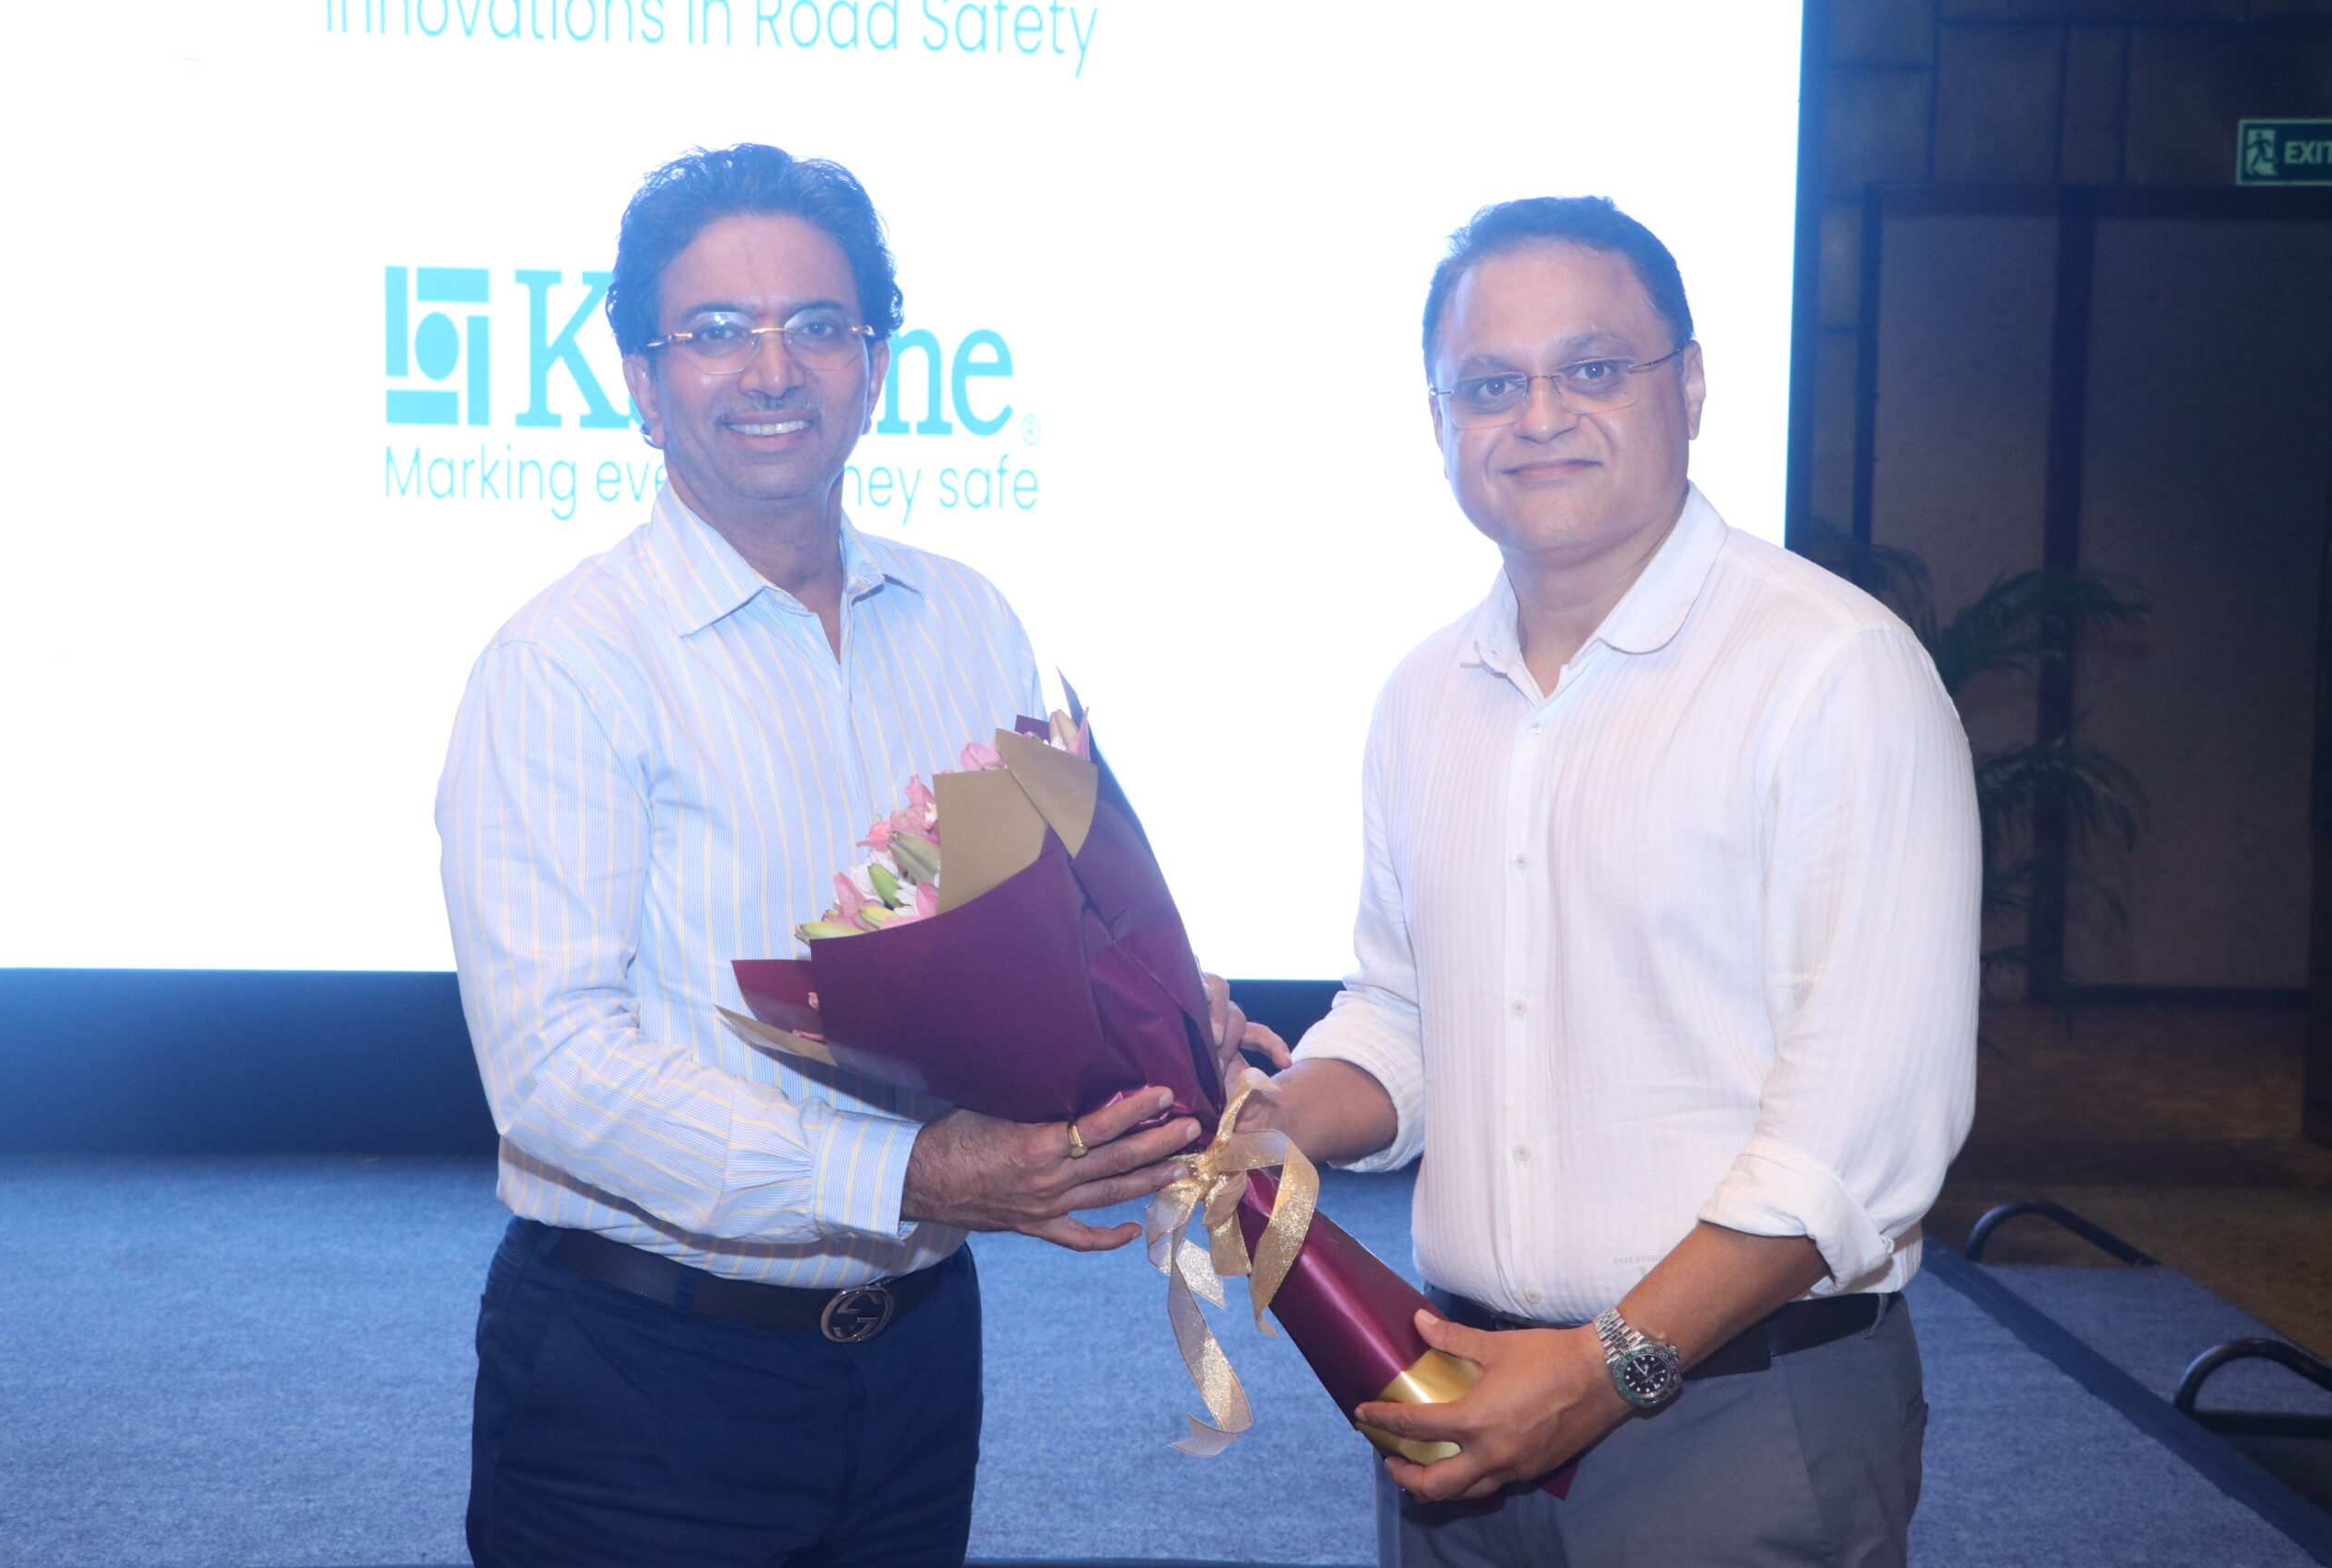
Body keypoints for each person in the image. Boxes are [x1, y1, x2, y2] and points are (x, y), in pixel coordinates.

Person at [435, 143, 1227, 1568]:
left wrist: (1154, 1028)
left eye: (817, 324)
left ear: (877, 365)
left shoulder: (970, 620)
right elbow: (556, 1073)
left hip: (918, 1358)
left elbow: (1038, 937)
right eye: (715, 331)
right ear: (640, 381)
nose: (772, 369)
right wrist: (908, 1176)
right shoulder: (563, 666)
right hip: (645, 1378)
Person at [1224, 197, 1979, 1565]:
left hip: (1736, 1413)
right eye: (1489, 384)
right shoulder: (1422, 695)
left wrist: (1603, 1368)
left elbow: (1858, 1132)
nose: (1539, 416)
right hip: (1451, 1394)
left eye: (1591, 368)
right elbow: (1405, 1017)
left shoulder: (1832, 673)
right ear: (1439, 421)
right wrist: (1268, 1122)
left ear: (1688, 385)